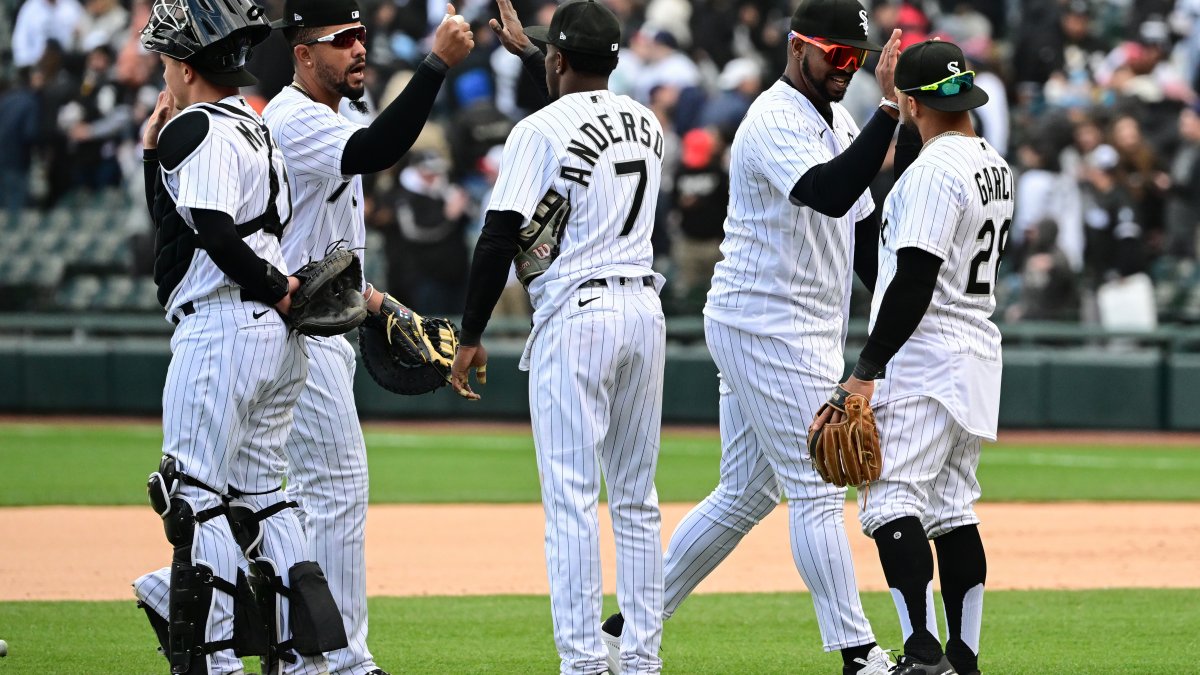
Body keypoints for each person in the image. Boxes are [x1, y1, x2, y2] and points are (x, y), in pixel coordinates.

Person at [133, 2, 475, 673]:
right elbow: (373, 155)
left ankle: (281, 650)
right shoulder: (283, 122)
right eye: (341, 38)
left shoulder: (261, 125)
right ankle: (331, 658)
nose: (358, 49)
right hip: (286, 324)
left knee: (235, 497)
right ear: (299, 52)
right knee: (300, 492)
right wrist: (436, 64)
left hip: (270, 319)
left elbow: (278, 240)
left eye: (361, 37)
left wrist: (370, 301)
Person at [600, 0, 903, 673]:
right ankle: (860, 654)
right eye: (835, 53)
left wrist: (891, 316)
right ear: (798, 46)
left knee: (744, 492)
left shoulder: (843, 117)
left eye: (855, 57)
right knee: (817, 484)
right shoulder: (771, 117)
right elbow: (827, 192)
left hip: (799, 325)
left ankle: (623, 629)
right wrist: (887, 113)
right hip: (765, 321)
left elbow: (859, 231)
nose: (845, 67)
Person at [449, 1, 669, 672]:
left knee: (572, 501)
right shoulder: (646, 119)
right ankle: (640, 660)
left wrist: (470, 333)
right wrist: (535, 51)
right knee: (636, 502)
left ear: (559, 61)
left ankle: (582, 662)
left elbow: (497, 238)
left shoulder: (536, 131)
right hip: (643, 314)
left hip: (577, 316)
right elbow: (582, 101)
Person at [131, 0, 344, 672]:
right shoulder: (255, 128)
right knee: (265, 498)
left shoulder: (192, 127)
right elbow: (185, 234)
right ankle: (296, 654)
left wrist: (271, 286)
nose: (163, 72)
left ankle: (215, 659)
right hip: (276, 339)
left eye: (166, 61)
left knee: (191, 498)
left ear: (188, 67)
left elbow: (217, 236)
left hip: (226, 322)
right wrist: (148, 156)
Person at [819, 38, 1013, 675]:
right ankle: (963, 658)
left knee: (890, 502)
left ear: (909, 101)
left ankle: (922, 655)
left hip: (926, 351)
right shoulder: (992, 163)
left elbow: (913, 277)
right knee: (953, 507)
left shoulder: (933, 172)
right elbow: (914, 194)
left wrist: (865, 371)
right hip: (976, 350)